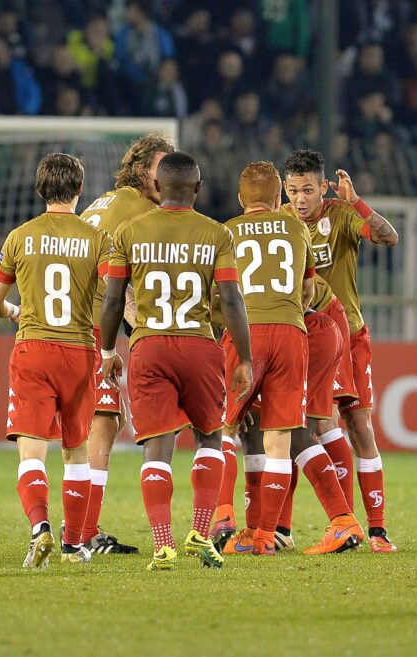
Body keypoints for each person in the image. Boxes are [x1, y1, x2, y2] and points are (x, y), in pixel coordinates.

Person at [99, 151, 252, 571]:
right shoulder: (217, 234)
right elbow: (233, 300)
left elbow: (113, 300)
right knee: (210, 439)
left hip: (149, 347)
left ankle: (163, 545)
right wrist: (246, 359)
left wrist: (109, 351)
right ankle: (201, 534)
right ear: (198, 189)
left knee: (157, 449)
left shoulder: (129, 232)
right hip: (200, 347)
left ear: (158, 188)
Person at [0, 153, 112, 568]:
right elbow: (113, 294)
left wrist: (15, 312)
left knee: (31, 454)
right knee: (75, 453)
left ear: (41, 190)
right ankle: (74, 545)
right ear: (79, 190)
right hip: (79, 351)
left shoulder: (19, 237)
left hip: (33, 349)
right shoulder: (96, 239)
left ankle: (40, 528)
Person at [282, 149, 400, 552]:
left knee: (359, 427)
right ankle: (293, 526)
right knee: (296, 426)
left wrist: (356, 202)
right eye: (294, 190)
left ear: (323, 187)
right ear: (285, 187)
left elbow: (388, 237)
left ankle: (378, 530)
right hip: (299, 337)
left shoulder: (341, 215)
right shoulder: (279, 223)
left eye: (308, 190)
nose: (301, 198)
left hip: (347, 334)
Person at [75, 133, 175, 556]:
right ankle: (83, 533)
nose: (168, 177)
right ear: (139, 171)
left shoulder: (104, 202)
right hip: (92, 323)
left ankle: (80, 529)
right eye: (161, 168)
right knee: (101, 423)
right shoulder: (140, 211)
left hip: (72, 319)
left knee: (100, 422)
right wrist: (150, 332)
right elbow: (118, 284)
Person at [214, 161, 318, 555]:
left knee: (223, 428)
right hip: (291, 333)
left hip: (245, 334)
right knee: (278, 439)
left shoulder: (226, 231)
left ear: (241, 199)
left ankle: (223, 518)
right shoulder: (296, 227)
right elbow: (308, 291)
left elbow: (220, 294)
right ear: (279, 198)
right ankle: (264, 538)